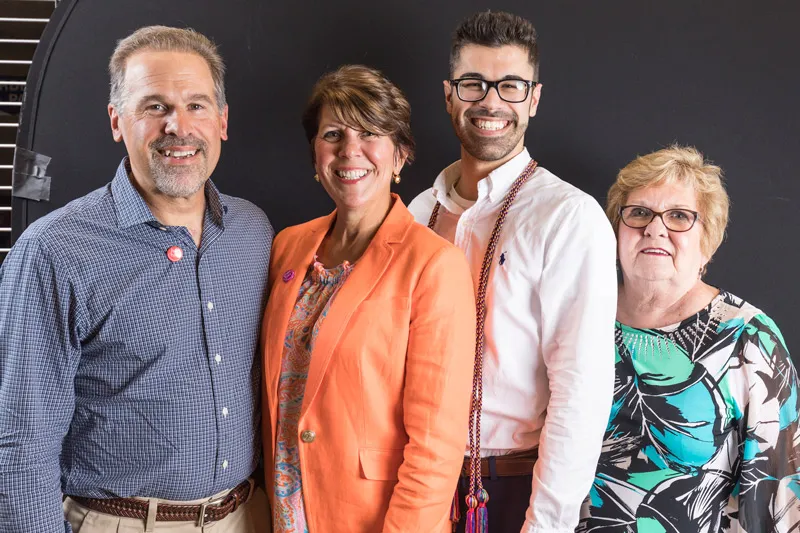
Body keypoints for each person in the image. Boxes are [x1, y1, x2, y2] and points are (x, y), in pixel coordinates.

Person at [0, 26, 273, 533]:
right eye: (154, 107)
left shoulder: (252, 233)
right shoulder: (53, 251)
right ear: (116, 121)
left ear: (223, 121)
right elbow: (20, 442)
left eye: (197, 105)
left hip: (247, 516)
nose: (179, 126)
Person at [408, 10, 618, 533]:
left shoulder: (568, 216)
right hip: (414, 479)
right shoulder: (415, 212)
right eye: (473, 84)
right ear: (449, 93)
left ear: (535, 98)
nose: (491, 102)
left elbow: (581, 391)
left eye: (511, 86)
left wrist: (545, 524)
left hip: (510, 488)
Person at [260, 64, 476, 533]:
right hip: (284, 513)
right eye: (333, 134)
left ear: (399, 156)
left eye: (370, 134)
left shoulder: (433, 265)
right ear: (315, 155)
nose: (349, 151)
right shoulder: (288, 247)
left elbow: (436, 447)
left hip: (374, 519)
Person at [578, 145, 800, 532]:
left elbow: (778, 493)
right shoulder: (576, 319)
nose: (654, 228)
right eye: (639, 213)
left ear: (707, 241)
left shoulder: (747, 337)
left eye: (679, 216)